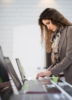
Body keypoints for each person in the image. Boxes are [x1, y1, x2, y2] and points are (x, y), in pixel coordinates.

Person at [36, 8, 72, 85]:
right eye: (46, 25)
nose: (48, 27)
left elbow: (69, 57)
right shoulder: (56, 37)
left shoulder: (70, 30)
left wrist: (50, 72)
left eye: (48, 23)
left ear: (55, 19)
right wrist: (46, 72)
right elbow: (57, 61)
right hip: (61, 79)